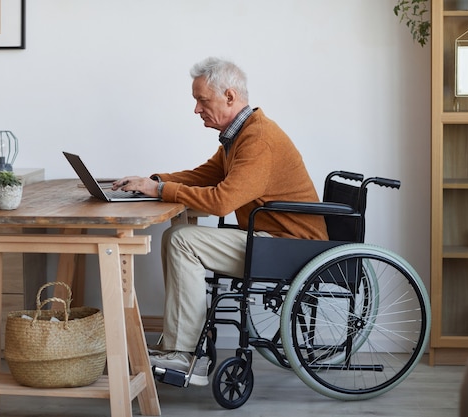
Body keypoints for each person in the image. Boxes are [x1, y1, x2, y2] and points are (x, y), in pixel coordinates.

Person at [112, 57, 328, 386]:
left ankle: (185, 355)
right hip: (271, 239)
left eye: (202, 100)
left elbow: (222, 200)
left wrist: (160, 189)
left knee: (182, 239)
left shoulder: (258, 141)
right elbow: (205, 175)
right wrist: (152, 181)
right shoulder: (240, 134)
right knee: (178, 237)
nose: (196, 109)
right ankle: (182, 347)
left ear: (229, 96)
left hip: (289, 248)